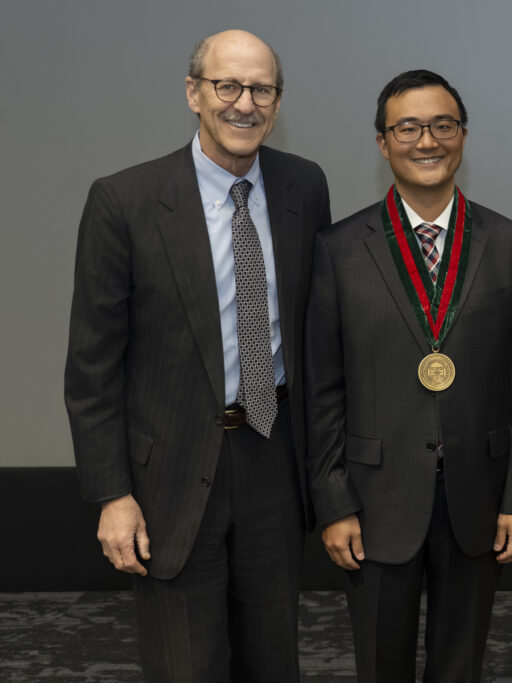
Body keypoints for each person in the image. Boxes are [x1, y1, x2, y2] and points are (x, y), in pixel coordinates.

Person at [64, 30, 331, 681]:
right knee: (187, 665)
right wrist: (113, 494)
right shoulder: (124, 201)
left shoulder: (304, 186)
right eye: (227, 85)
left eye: (261, 89)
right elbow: (93, 368)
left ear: (277, 101)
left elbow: (318, 330)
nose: (245, 103)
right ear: (193, 92)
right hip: (170, 478)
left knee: (274, 662)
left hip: (274, 457)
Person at [304, 69, 512, 682]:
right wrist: (332, 502)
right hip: (373, 499)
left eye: (443, 125)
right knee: (380, 666)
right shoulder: (337, 248)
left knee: (460, 667)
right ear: (382, 143)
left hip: (478, 496)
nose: (427, 140)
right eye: (408, 127)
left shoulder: (511, 244)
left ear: (463, 136)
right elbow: (323, 389)